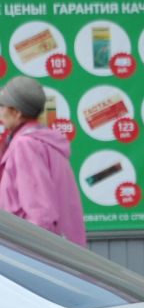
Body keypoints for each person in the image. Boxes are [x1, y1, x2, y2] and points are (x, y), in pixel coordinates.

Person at [0, 76, 86, 247]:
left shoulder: (25, 145)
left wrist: (33, 262)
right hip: (66, 251)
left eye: (2, 106)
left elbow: (40, 214)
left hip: (35, 253)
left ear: (16, 112)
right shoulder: (45, 140)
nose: (0, 112)